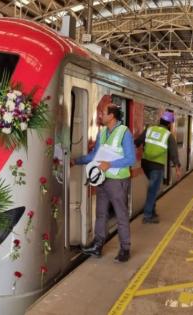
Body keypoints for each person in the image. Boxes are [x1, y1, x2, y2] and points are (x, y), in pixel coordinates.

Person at [71, 104, 136, 263]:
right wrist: (76, 161)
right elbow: (95, 155)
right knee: (101, 213)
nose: (100, 115)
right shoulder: (103, 133)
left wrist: (110, 164)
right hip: (102, 179)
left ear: (112, 116)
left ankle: (125, 249)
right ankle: (98, 245)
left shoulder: (124, 133)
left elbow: (131, 159)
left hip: (118, 181)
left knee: (121, 215)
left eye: (103, 113)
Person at [134, 110, 181, 224]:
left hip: (145, 163)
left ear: (160, 120)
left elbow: (137, 141)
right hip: (157, 165)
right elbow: (174, 153)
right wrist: (177, 168)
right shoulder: (168, 135)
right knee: (153, 190)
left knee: (152, 188)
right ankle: (148, 216)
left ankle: (152, 211)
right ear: (169, 124)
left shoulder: (149, 129)